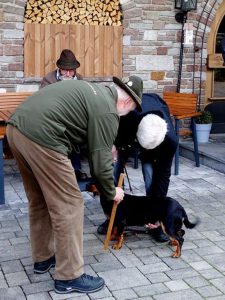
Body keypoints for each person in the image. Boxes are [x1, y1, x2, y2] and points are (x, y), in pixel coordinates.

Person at [6, 75, 143, 294]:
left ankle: (43, 259)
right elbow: (100, 167)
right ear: (127, 102)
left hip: (16, 129)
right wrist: (111, 191)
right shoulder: (108, 111)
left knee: (39, 199)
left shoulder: (92, 91)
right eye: (131, 110)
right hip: (44, 137)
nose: (127, 115)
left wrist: (106, 148)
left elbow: (82, 134)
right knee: (69, 204)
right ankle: (69, 276)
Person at [98, 93, 178, 243]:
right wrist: (114, 147)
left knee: (151, 179)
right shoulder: (127, 115)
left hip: (155, 148)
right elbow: (111, 133)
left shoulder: (170, 142)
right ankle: (112, 216)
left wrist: (157, 214)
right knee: (112, 172)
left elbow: (163, 178)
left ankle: (153, 222)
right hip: (125, 137)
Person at [40, 49, 86, 180]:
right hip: (54, 120)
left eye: (71, 70)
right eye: (64, 70)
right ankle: (59, 171)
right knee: (63, 134)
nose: (67, 73)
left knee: (78, 132)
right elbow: (44, 102)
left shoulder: (80, 79)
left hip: (74, 120)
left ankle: (76, 170)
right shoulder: (49, 79)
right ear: (59, 68)